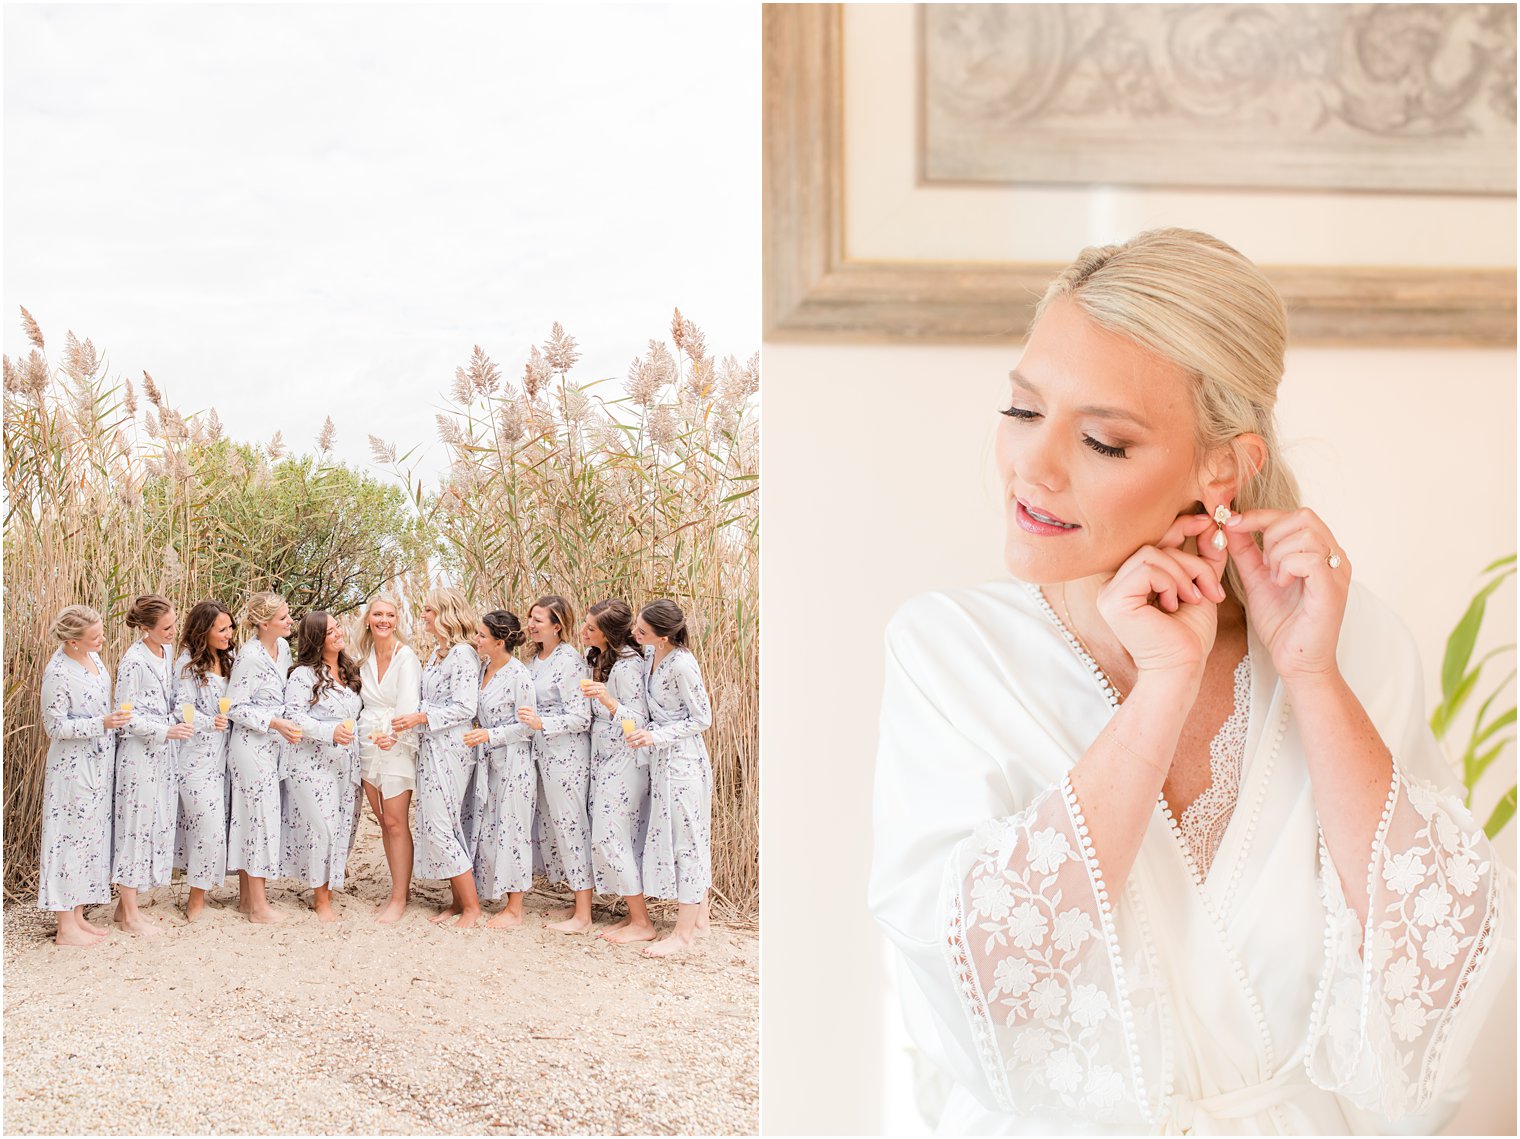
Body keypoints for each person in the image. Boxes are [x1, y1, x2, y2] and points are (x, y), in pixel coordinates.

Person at [868, 228, 1514, 1133]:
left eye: (1101, 439)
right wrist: (1164, 685)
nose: (1034, 465)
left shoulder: (1350, 641)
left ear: (1224, 465)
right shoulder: (948, 651)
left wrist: (1313, 677)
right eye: (1022, 411)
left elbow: (1439, 953)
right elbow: (978, 979)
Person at [37, 605, 130, 945]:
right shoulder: (58, 672)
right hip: (71, 768)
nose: (102, 638)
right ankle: (64, 926)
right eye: (95, 636)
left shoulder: (96, 659)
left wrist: (111, 719)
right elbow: (54, 726)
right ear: (73, 641)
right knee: (67, 839)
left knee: (88, 837)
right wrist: (100, 723)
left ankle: (77, 914)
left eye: (101, 632)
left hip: (97, 762)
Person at [390, 587, 481, 929]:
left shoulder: (462, 655)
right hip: (431, 746)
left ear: (445, 613)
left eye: (428, 610)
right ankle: (457, 902)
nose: (423, 615)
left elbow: (464, 707)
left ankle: (472, 907)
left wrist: (420, 716)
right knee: (439, 823)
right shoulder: (436, 654)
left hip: (452, 748)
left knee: (441, 825)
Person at [628, 598, 713, 957]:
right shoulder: (650, 657)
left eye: (642, 631)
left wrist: (657, 735)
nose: (636, 633)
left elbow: (702, 718)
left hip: (683, 763)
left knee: (688, 842)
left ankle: (683, 934)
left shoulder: (682, 665)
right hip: (661, 761)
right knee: (681, 835)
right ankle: (701, 919)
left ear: (663, 636)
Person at [111, 593, 195, 934]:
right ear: (145, 628)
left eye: (174, 624)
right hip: (138, 755)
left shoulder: (167, 653)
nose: (173, 631)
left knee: (154, 822)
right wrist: (165, 730)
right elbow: (125, 717)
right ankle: (130, 915)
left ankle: (124, 907)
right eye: (166, 628)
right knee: (135, 825)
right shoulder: (133, 661)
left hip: (164, 753)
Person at [281, 611, 364, 921]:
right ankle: (321, 899)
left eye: (338, 627)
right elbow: (295, 717)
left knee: (343, 825)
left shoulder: (349, 669)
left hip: (347, 762)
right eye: (330, 631)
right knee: (322, 828)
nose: (338, 633)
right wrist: (329, 732)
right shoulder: (303, 675)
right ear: (316, 639)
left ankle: (328, 888)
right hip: (312, 761)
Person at [519, 593, 594, 933]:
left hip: (567, 756)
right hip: (540, 753)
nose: (531, 624)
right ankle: (573, 902)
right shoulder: (534, 661)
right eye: (531, 618)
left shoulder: (570, 661)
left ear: (557, 625)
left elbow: (582, 716)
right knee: (550, 826)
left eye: (538, 619)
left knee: (571, 825)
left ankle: (584, 913)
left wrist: (542, 723)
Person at [226, 591, 301, 924]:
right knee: (257, 819)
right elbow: (236, 707)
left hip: (274, 746)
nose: (290, 622)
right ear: (264, 622)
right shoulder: (250, 656)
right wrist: (273, 722)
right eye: (284, 618)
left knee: (256, 817)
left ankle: (246, 899)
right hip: (250, 746)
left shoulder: (282, 649)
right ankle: (259, 906)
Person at [582, 599, 654, 944]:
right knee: (611, 835)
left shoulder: (629, 667)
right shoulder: (601, 659)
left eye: (591, 628)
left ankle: (642, 921)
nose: (584, 632)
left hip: (627, 760)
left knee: (608, 836)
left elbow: (638, 722)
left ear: (608, 633)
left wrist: (608, 702)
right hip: (605, 759)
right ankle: (632, 915)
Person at [465, 609, 536, 928]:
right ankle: (487, 891)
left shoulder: (518, 675)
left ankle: (516, 908)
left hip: (514, 761)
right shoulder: (481, 668)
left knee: (513, 828)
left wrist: (489, 734)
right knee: (489, 825)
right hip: (485, 760)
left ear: (499, 639)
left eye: (481, 635)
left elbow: (528, 726)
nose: (476, 639)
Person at [355, 592, 422, 923]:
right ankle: (400, 889)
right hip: (368, 741)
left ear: (397, 621)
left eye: (390, 615)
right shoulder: (362, 657)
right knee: (383, 821)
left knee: (396, 821)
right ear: (368, 619)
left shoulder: (405, 656)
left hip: (396, 741)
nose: (384, 620)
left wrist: (394, 736)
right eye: (378, 614)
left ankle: (398, 898)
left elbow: (409, 704)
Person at [171, 599, 236, 922]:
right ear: (203, 631)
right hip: (195, 760)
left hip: (223, 760)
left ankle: (203, 894)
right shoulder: (187, 665)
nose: (229, 633)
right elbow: (180, 709)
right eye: (222, 629)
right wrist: (210, 722)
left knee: (216, 828)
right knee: (207, 830)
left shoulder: (230, 660)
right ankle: (195, 902)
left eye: (230, 627)